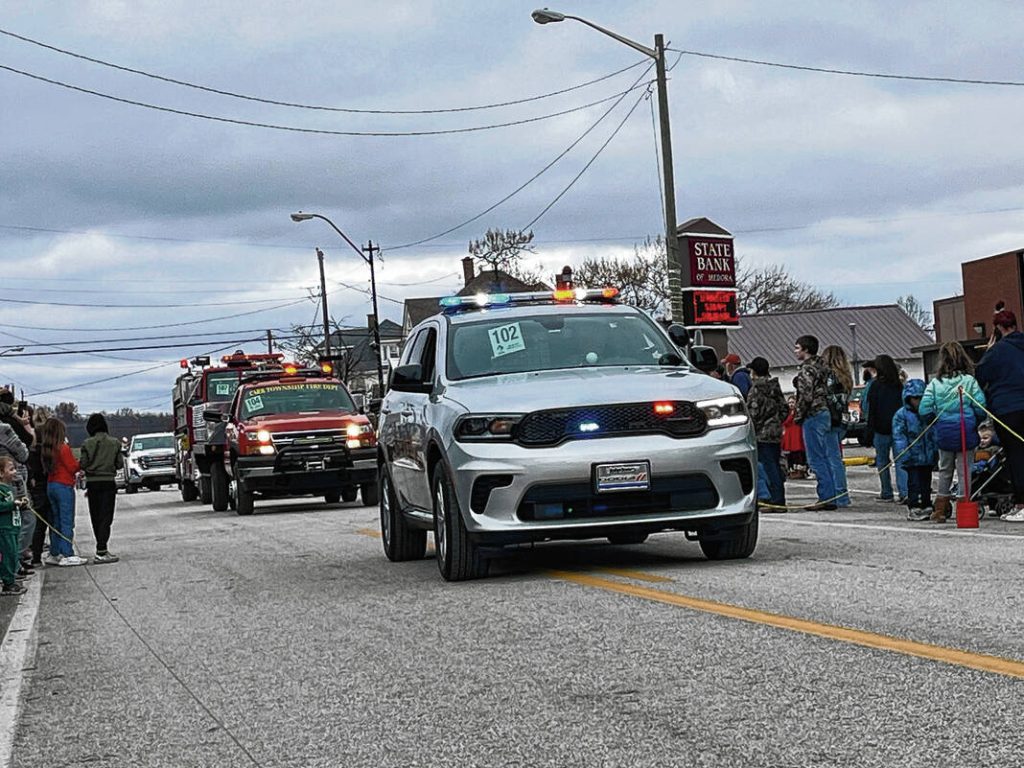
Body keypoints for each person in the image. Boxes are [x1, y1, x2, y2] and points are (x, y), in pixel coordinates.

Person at [919, 341, 987, 523]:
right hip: (966, 431)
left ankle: (940, 509)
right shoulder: (969, 381)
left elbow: (924, 409)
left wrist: (936, 422)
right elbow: (981, 407)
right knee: (965, 470)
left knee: (945, 470)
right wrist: (975, 421)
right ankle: (964, 507)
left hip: (944, 432)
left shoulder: (935, 383)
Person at [975, 308, 1024, 520]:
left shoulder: (996, 352)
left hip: (1008, 409)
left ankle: (1022, 502)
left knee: (1016, 455)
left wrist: (989, 349)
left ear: (998, 328)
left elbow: (981, 374)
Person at [792, 335, 837, 510]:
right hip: (825, 411)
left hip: (813, 414)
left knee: (816, 458)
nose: (795, 351)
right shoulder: (824, 367)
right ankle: (833, 494)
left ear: (806, 350)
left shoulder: (807, 370)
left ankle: (826, 497)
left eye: (797, 348)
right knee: (826, 456)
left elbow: (806, 396)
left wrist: (798, 414)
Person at [41, 417, 86, 566]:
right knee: (67, 520)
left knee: (56, 521)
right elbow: (73, 467)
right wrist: (81, 463)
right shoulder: (63, 448)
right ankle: (67, 553)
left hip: (51, 485)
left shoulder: (47, 449)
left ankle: (54, 553)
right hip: (64, 485)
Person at [79, 413, 124, 563]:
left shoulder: (87, 443)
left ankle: (100, 547)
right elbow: (119, 464)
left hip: (92, 483)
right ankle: (102, 548)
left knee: (96, 516)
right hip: (108, 482)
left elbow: (83, 464)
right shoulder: (115, 443)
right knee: (106, 516)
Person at [745, 356, 788, 511]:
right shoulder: (775, 387)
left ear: (754, 372)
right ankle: (778, 497)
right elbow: (784, 409)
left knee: (766, 466)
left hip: (762, 434)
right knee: (775, 465)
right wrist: (775, 421)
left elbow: (753, 414)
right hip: (775, 432)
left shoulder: (755, 390)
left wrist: (752, 428)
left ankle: (774, 500)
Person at [892, 379, 938, 521]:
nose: (918, 401)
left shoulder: (930, 414)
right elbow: (899, 436)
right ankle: (914, 505)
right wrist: (904, 452)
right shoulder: (902, 415)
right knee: (914, 483)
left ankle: (926, 503)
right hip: (912, 456)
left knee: (926, 482)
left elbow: (935, 432)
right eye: (915, 398)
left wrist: (936, 450)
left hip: (927, 455)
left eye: (921, 398)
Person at [867, 354, 905, 503]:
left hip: (880, 428)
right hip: (898, 428)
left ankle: (886, 491)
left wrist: (869, 429)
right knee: (901, 461)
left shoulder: (875, 386)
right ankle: (904, 491)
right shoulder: (899, 385)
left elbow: (872, 410)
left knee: (882, 461)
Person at [820, 345, 852, 508]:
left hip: (830, 419)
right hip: (843, 419)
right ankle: (841, 493)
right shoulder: (846, 377)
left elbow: (827, 397)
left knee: (831, 458)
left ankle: (840, 494)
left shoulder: (828, 376)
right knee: (836, 457)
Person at [0, 456, 29, 596]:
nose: (15, 472)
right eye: (11, 469)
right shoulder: (1, 490)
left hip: (13, 527)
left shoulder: (9, 488)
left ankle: (10, 578)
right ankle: (8, 583)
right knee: (8, 555)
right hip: (5, 529)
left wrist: (21, 503)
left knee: (12, 554)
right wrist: (13, 504)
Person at [782, 397, 807, 479]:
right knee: (791, 455)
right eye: (789, 403)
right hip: (790, 436)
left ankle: (800, 470)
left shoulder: (797, 413)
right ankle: (792, 470)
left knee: (798, 454)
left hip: (797, 435)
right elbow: (785, 422)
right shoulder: (787, 413)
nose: (791, 404)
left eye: (793, 402)